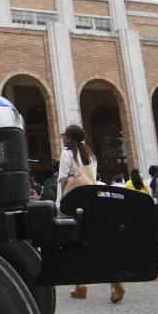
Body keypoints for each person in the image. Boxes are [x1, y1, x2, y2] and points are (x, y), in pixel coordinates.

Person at [59, 124, 123, 303]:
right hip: (91, 200)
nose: (63, 138)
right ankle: (115, 282)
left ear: (69, 138)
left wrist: (61, 202)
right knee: (96, 241)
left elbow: (63, 179)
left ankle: (80, 286)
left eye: (64, 136)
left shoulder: (66, 154)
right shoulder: (90, 155)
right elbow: (92, 178)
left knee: (75, 243)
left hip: (73, 202)